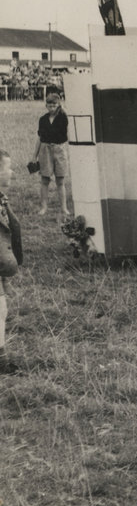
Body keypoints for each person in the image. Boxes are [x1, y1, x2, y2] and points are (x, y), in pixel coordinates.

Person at [0, 148, 22, 374]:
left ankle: (2, 360)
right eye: (7, 168)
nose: (12, 172)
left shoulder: (2, 200)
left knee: (1, 309)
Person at [34, 93, 70, 217]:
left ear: (58, 105)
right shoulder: (43, 119)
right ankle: (43, 207)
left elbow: (66, 135)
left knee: (60, 180)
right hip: (45, 150)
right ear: (46, 106)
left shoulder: (63, 118)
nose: (52, 107)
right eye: (49, 105)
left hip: (59, 149)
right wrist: (34, 155)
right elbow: (40, 138)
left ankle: (64, 208)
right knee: (45, 180)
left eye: (54, 105)